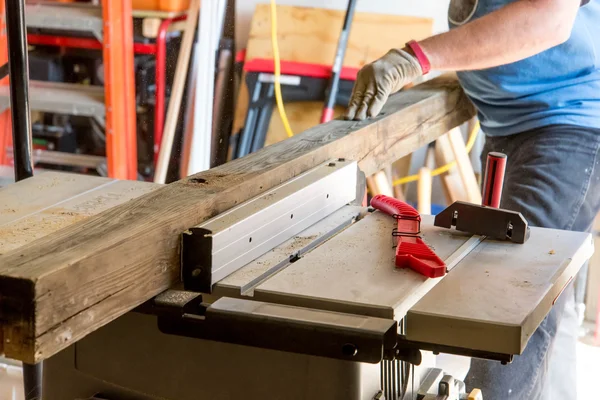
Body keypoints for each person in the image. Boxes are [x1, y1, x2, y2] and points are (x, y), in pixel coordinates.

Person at [345, 0, 600, 399]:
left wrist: (416, 57)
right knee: (548, 303)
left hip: (567, 126)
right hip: (508, 124)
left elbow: (551, 18)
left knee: (513, 301)